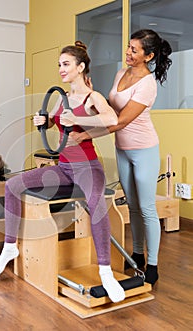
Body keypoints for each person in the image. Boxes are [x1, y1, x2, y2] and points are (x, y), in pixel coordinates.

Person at [0, 41, 126, 303]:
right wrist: (43, 121)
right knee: (12, 186)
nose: (61, 69)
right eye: (59, 65)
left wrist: (77, 120)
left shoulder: (92, 97)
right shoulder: (62, 98)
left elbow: (111, 120)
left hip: (88, 168)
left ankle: (106, 273)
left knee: (96, 204)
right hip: (63, 168)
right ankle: (9, 248)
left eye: (66, 64)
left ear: (81, 67)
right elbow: (53, 121)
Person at [62, 30, 172, 285]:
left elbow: (120, 121)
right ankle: (137, 254)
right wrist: (92, 94)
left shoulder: (148, 84)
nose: (128, 53)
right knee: (131, 205)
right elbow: (110, 109)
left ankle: (153, 264)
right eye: (128, 47)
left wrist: (86, 134)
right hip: (121, 149)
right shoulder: (120, 73)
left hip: (144, 149)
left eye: (134, 50)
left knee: (146, 208)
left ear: (149, 56)